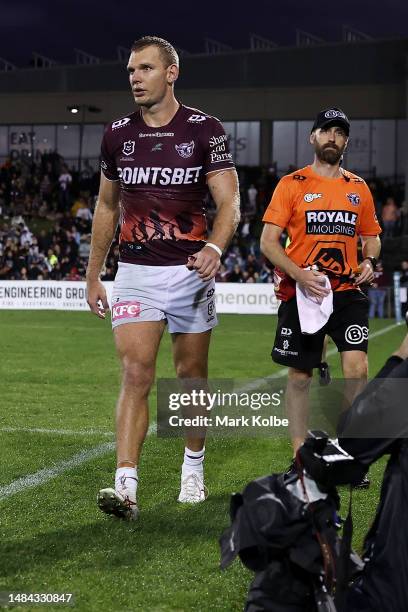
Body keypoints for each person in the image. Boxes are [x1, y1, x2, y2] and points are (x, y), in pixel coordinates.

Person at [86, 36, 240, 520]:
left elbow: (229, 203)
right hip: (133, 272)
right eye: (131, 70)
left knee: (191, 377)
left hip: (190, 274)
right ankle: (125, 486)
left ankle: (192, 467)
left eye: (145, 68)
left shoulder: (204, 130)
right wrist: (94, 275)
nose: (134, 77)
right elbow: (107, 206)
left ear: (171, 73)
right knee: (136, 374)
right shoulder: (116, 134)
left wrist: (215, 247)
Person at [260, 107, 381, 479]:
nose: (333, 137)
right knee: (300, 377)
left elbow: (372, 238)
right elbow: (268, 242)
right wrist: (298, 275)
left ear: (345, 142)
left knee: (357, 370)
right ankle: (300, 457)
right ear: (313, 137)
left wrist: (370, 262)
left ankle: (348, 453)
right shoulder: (292, 183)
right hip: (303, 292)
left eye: (340, 133)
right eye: (326, 131)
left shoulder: (359, 188)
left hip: (347, 292)